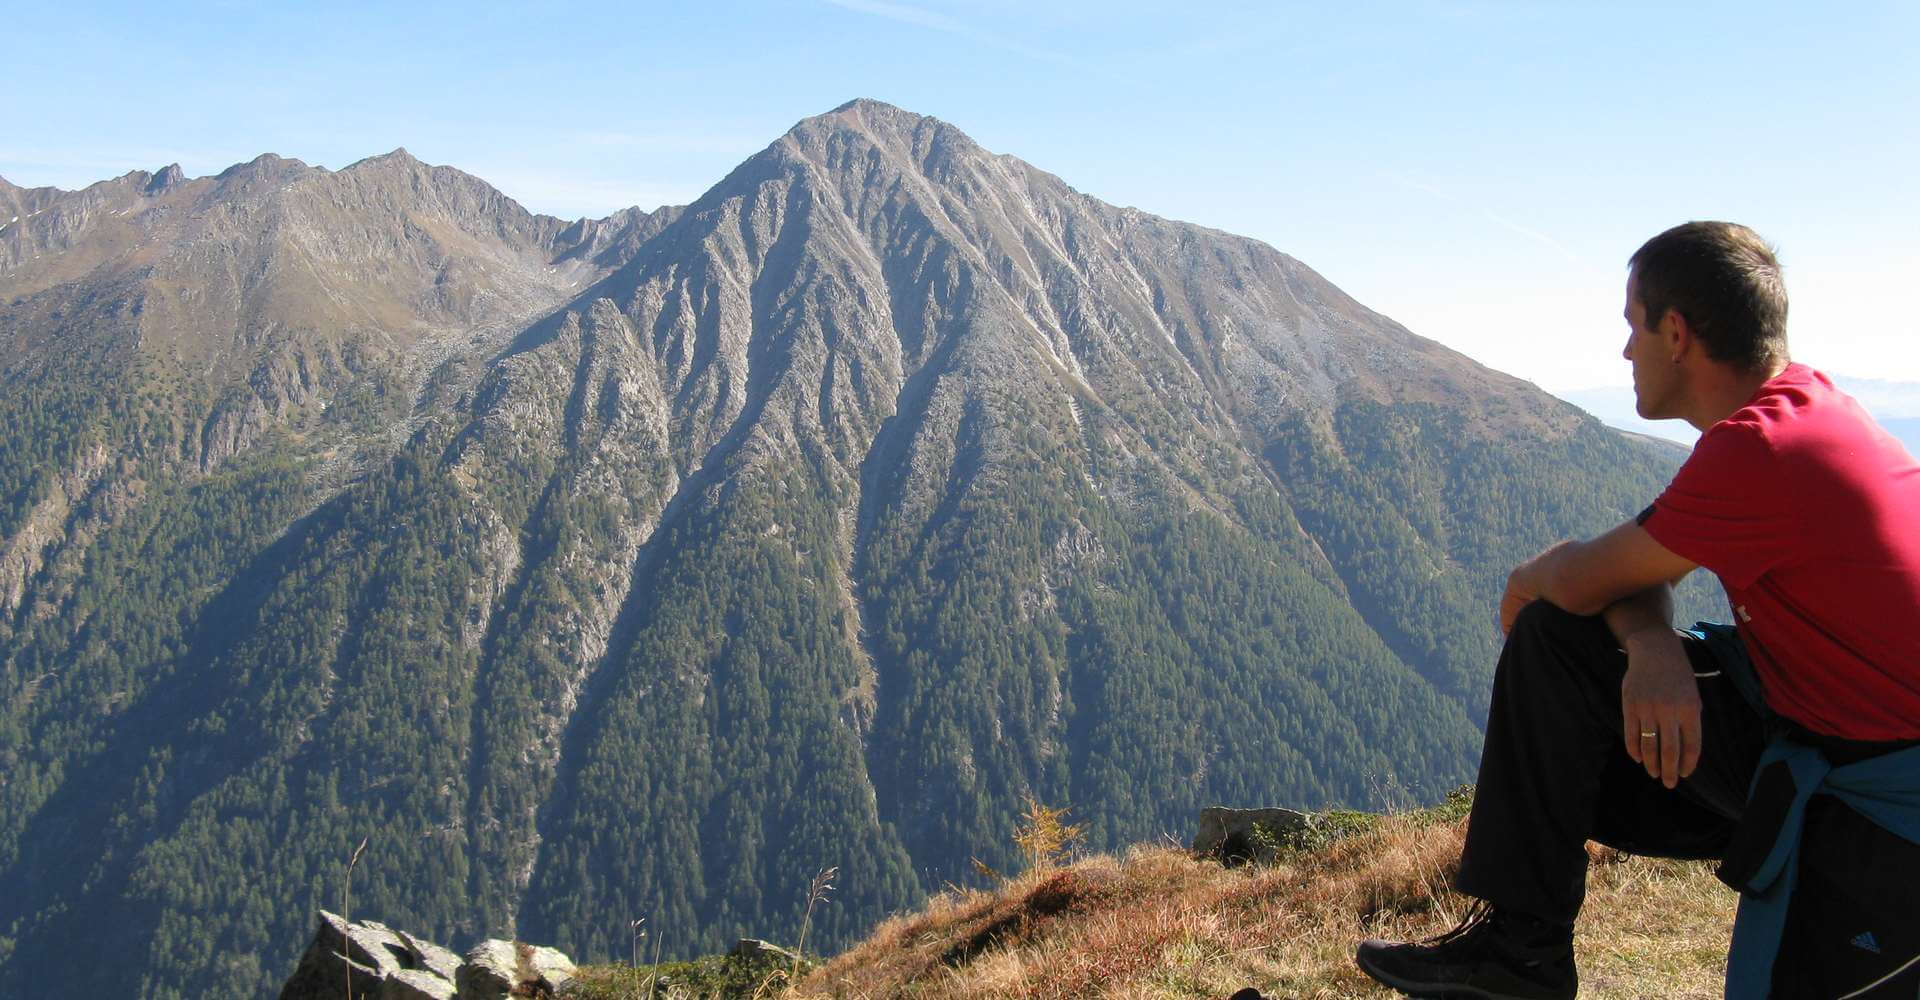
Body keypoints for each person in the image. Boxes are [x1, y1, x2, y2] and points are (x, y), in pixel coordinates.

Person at [1353, 221, 1920, 999]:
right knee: (1559, 647)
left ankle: (1523, 951)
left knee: (1553, 626)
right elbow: (1632, 572)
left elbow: (1583, 579)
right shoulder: (1801, 413)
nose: (1625, 351)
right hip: (1811, 717)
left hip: (1884, 785)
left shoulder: (1760, 452)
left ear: (1676, 333)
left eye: (1633, 325)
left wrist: (1525, 576)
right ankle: (1521, 951)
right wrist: (1652, 644)